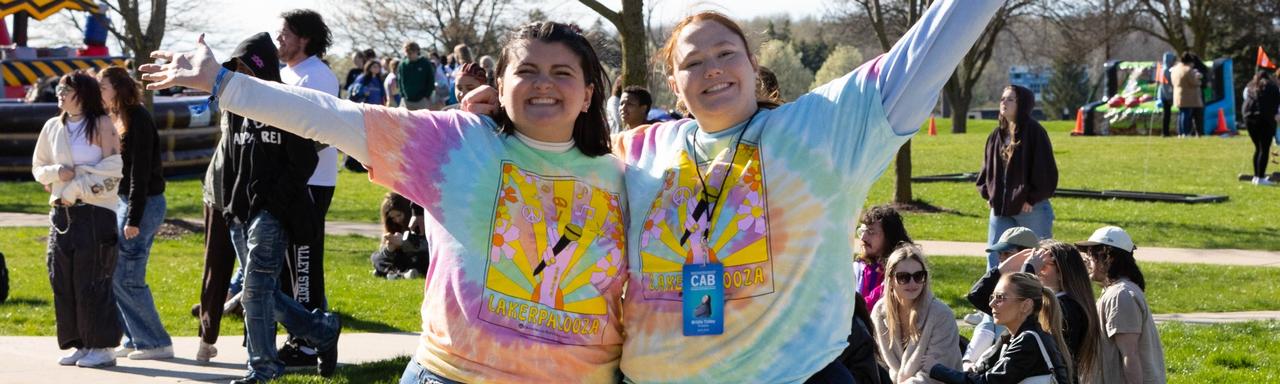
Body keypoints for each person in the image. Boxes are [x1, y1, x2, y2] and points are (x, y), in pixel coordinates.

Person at [141, 21, 628, 383]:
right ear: (498, 86)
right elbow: (331, 117)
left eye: (562, 73)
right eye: (527, 70)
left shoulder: (628, 174)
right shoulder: (454, 141)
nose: (544, 83)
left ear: (588, 94)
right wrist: (225, 84)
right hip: (453, 374)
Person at [604, 2, 1004, 381]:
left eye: (726, 53)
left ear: (752, 64)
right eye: (693, 62)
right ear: (674, 85)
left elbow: (927, 52)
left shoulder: (818, 132)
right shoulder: (639, 150)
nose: (712, 69)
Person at [218, 32, 342, 384]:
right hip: (239, 212)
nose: (239, 73)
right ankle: (321, 328)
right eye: (235, 67)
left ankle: (263, 370)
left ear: (260, 67)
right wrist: (229, 206)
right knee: (263, 292)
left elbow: (303, 160)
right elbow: (229, 159)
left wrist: (273, 204)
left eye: (245, 66)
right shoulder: (233, 108)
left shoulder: (284, 102)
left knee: (256, 292)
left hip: (273, 212)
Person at [32, 71, 124, 368]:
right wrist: (56, 172)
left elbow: (113, 170)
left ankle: (103, 346)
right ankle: (78, 342)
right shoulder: (51, 127)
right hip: (61, 214)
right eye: (58, 88)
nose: (59, 93)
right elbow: (38, 167)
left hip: (95, 213)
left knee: (93, 278)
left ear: (82, 93)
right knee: (63, 279)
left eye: (65, 89)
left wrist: (75, 187)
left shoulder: (102, 124)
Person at [275, 8, 343, 372]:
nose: (278, 38)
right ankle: (300, 337)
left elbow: (319, 133)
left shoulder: (317, 76)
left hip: (312, 181)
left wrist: (291, 166)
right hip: (285, 183)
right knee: (285, 266)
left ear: (304, 38)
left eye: (284, 32)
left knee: (303, 264)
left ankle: (310, 342)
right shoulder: (285, 74)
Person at [97, 66, 173, 361]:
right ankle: (134, 336)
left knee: (127, 276)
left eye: (102, 86)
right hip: (127, 202)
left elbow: (140, 173)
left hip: (143, 204)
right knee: (117, 272)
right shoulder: (117, 117)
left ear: (117, 87)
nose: (99, 91)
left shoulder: (138, 117)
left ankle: (155, 343)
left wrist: (133, 219)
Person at [930, 272, 1072, 384]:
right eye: (993, 296)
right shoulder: (1010, 336)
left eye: (1000, 297)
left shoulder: (1029, 341)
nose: (991, 303)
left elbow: (987, 382)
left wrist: (936, 368)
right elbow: (982, 371)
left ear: (1026, 306)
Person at [1076, 226, 1166, 384]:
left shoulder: (1120, 296)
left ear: (1106, 256)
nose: (1088, 262)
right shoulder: (1115, 292)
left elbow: (1130, 355)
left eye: (1090, 256)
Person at [870, 245, 962, 384]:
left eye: (919, 276)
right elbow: (876, 363)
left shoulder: (941, 315)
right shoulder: (880, 312)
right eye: (903, 277)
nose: (912, 283)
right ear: (890, 280)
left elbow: (937, 373)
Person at [962, 226, 1038, 366]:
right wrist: (1000, 270)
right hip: (999, 357)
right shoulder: (1005, 282)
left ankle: (967, 363)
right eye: (1000, 254)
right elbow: (976, 296)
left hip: (1017, 362)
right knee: (989, 319)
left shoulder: (1039, 289)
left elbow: (977, 295)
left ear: (1028, 254)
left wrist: (1025, 269)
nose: (1002, 259)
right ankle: (967, 363)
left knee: (991, 318)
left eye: (1007, 254)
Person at [1030, 240, 1102, 384]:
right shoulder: (1063, 304)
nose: (1038, 269)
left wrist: (1028, 270)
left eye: (1044, 263)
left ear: (1061, 273)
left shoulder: (1067, 308)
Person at [854, 205, 914, 310]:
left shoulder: (903, 271)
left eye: (871, 232)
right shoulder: (858, 268)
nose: (863, 237)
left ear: (889, 237)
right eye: (862, 231)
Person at [370, 192, 428, 279]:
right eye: (393, 218)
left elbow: (425, 246)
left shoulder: (417, 223)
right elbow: (383, 250)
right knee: (376, 257)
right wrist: (390, 248)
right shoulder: (392, 227)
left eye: (399, 215)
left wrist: (403, 244)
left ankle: (385, 272)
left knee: (420, 259)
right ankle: (397, 273)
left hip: (415, 257)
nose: (397, 220)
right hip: (398, 258)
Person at [1242, 70, 1279, 185]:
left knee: (1258, 148)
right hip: (1264, 119)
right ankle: (1260, 178)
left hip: (1248, 119)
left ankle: (1256, 177)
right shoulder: (1273, 87)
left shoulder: (1250, 87)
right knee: (1264, 149)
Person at [1169, 52, 1204, 137]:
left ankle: (1181, 132)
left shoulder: (1175, 69)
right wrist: (1198, 79)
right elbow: (1194, 82)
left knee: (1181, 114)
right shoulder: (1187, 70)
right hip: (1188, 95)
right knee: (1186, 114)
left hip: (1178, 93)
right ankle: (1186, 132)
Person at [397, 41, 435, 111]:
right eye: (407, 53)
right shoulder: (402, 65)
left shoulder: (425, 63)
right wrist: (403, 95)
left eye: (411, 52)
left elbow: (430, 80)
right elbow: (400, 81)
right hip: (407, 101)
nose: (409, 55)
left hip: (422, 100)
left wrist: (427, 95)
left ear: (417, 51)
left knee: (423, 121)